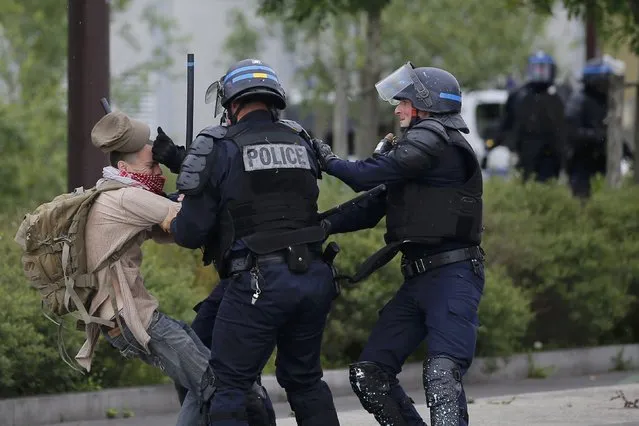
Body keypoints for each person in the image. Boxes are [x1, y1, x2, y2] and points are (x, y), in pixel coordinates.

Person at [158, 58, 341, 426]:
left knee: (227, 387)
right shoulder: (299, 140)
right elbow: (260, 187)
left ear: (232, 103)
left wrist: (179, 211)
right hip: (313, 276)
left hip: (259, 283)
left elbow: (191, 232)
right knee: (305, 382)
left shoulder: (216, 143)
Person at [312, 62, 485, 426]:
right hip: (418, 279)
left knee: (441, 374)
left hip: (453, 277)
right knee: (369, 375)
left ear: (426, 105)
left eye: (403, 101)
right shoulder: (420, 156)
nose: (397, 108)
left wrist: (327, 159)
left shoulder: (435, 137)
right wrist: (317, 226)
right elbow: (372, 204)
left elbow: (365, 177)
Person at [76, 110, 216, 426]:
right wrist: (193, 184)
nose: (158, 172)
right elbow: (192, 224)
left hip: (128, 317)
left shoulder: (109, 190)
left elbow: (171, 233)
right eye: (152, 165)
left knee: (202, 379)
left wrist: (181, 202)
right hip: (131, 317)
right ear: (124, 168)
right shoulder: (128, 197)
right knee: (212, 384)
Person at [564, 57, 631, 198]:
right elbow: (572, 132)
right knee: (582, 201)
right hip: (582, 162)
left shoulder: (606, 102)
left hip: (602, 162)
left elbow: (612, 132)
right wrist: (596, 136)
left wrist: (627, 152)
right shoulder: (578, 101)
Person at [497, 50, 566, 181]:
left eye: (543, 69)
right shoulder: (518, 96)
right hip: (525, 152)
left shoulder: (558, 96)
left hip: (551, 155)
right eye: (537, 69)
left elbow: (564, 127)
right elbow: (506, 123)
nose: (540, 73)